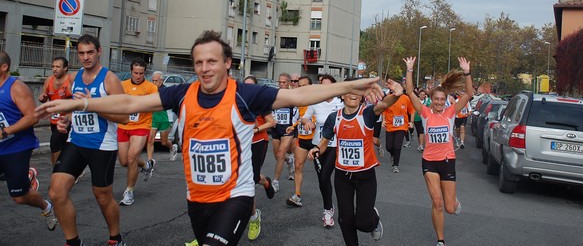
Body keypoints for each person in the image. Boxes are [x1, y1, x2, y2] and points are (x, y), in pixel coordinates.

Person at [36, 30, 383, 246]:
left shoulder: (245, 95)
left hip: (234, 196)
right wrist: (78, 101)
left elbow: (297, 98)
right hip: (197, 199)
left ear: (227, 63)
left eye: (212, 61)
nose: (204, 68)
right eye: (199, 61)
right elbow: (129, 101)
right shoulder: (182, 94)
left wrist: (353, 84)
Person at [47, 34, 128, 246]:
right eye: (81, 53)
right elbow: (77, 108)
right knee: (56, 192)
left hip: (102, 145)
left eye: (90, 52)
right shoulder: (74, 78)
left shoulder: (109, 79)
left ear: (99, 52)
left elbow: (125, 118)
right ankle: (73, 242)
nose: (86, 57)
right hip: (76, 141)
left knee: (102, 196)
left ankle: (115, 239)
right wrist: (67, 119)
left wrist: (95, 104)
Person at [308, 78, 404, 246]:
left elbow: (383, 105)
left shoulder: (366, 114)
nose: (353, 94)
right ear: (342, 96)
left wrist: (396, 94)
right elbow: (324, 142)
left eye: (357, 92)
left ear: (361, 97)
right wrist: (316, 149)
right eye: (349, 91)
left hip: (365, 176)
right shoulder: (334, 118)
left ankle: (373, 219)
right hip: (342, 176)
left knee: (363, 223)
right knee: (345, 220)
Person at [403, 56, 473, 246]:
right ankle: (440, 240)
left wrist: (466, 71)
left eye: (442, 99)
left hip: (448, 160)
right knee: (437, 202)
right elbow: (409, 91)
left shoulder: (451, 112)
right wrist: (410, 69)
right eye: (436, 99)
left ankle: (454, 201)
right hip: (430, 161)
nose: (440, 102)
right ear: (432, 100)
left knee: (449, 208)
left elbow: (469, 93)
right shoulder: (425, 112)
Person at [0, 51, 59, 232]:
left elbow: (32, 117)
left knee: (19, 196)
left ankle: (46, 207)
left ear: (4, 67)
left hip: (16, 147)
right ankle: (24, 176)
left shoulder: (16, 87)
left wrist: (5, 132)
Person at [300, 74, 344, 228]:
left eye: (327, 86)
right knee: (322, 180)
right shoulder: (315, 102)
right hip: (317, 145)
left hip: (334, 145)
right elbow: (304, 118)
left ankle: (327, 211)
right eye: (322, 85)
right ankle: (329, 206)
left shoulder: (341, 103)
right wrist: (308, 123)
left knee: (325, 176)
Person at [117, 58, 159, 206]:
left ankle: (129, 191)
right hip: (123, 126)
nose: (138, 76)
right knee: (124, 161)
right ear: (131, 72)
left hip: (142, 126)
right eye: (135, 73)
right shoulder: (122, 86)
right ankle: (146, 166)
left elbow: (155, 105)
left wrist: (141, 106)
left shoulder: (151, 88)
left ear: (144, 73)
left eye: (141, 73)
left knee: (131, 157)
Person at [244, 75, 276, 241]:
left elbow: (272, 122)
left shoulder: (260, 103)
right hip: (241, 144)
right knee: (245, 179)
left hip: (258, 141)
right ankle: (266, 182)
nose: (248, 88)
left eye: (251, 85)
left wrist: (256, 130)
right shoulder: (238, 102)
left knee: (251, 178)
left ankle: (254, 218)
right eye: (245, 85)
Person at [285, 75, 314, 207]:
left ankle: (328, 201)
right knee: (298, 166)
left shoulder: (316, 101)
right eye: (300, 86)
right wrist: (294, 125)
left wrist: (313, 123)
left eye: (305, 86)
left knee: (323, 174)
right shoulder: (298, 102)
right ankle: (297, 195)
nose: (302, 88)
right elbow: (299, 117)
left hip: (317, 141)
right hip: (303, 139)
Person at [38, 56, 74, 165]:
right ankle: (70, 169)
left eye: (58, 67)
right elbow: (45, 97)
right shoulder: (49, 80)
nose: (55, 69)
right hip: (54, 120)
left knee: (54, 144)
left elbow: (77, 100)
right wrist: (43, 98)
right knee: (62, 146)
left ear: (65, 68)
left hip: (67, 118)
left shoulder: (70, 80)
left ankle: (58, 170)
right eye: (53, 66)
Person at [270, 73, 298, 192]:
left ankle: (275, 181)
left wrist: (293, 125)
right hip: (276, 128)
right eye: (280, 82)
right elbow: (269, 108)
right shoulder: (274, 94)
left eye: (284, 82)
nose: (281, 84)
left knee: (281, 153)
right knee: (278, 156)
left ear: (289, 83)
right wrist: (272, 118)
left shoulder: (293, 96)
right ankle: (289, 160)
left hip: (288, 129)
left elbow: (297, 110)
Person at [147, 71, 178, 162]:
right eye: (152, 80)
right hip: (154, 117)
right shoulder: (151, 90)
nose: (154, 82)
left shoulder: (166, 91)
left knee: (163, 142)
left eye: (156, 81)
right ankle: (150, 161)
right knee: (150, 140)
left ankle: (172, 147)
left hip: (165, 118)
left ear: (161, 81)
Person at [382, 87, 415, 173]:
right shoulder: (388, 98)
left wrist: (411, 122)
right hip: (389, 125)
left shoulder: (405, 98)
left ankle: (395, 165)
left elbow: (412, 110)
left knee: (397, 146)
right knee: (388, 147)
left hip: (402, 126)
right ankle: (392, 154)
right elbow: (384, 110)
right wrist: (383, 120)